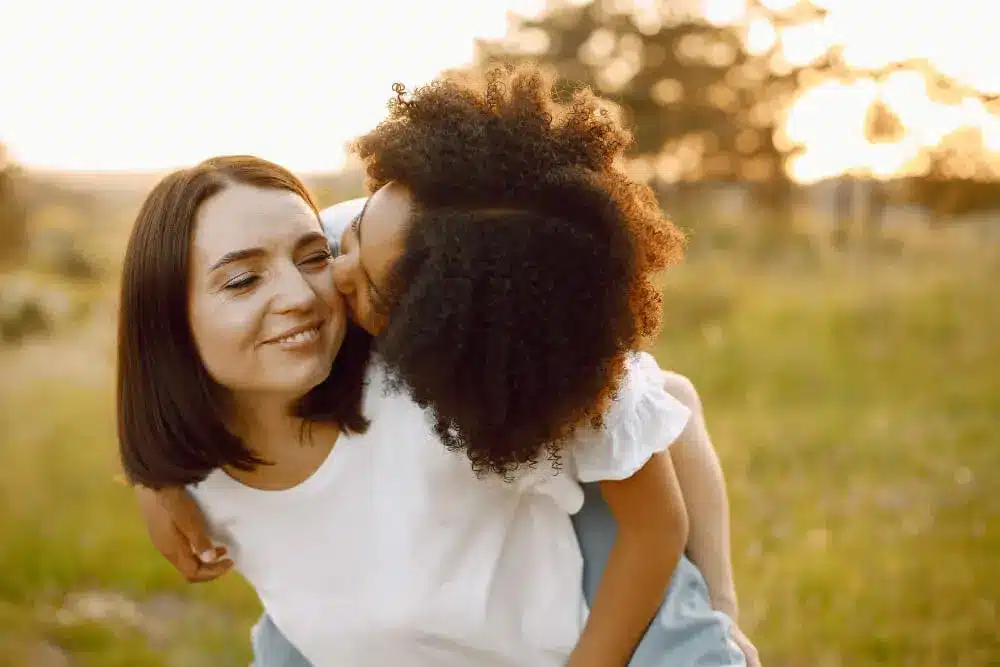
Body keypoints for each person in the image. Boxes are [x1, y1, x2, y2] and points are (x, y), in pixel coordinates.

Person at [129, 65, 757, 666]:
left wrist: (722, 609)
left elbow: (664, 408)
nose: (319, 286)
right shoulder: (346, 234)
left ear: (430, 328)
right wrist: (152, 474)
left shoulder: (468, 310)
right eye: (244, 280)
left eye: (364, 287)